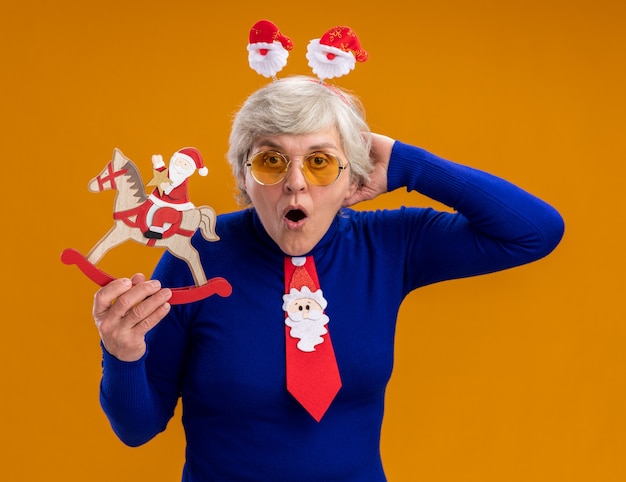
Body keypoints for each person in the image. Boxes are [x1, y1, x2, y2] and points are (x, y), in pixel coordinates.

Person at [92, 76, 564, 481]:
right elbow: (137, 429)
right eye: (271, 161)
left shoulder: (388, 244)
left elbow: (535, 231)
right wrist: (123, 356)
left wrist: (408, 163)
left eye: (320, 162)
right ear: (243, 175)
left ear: (354, 178)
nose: (296, 182)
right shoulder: (194, 257)